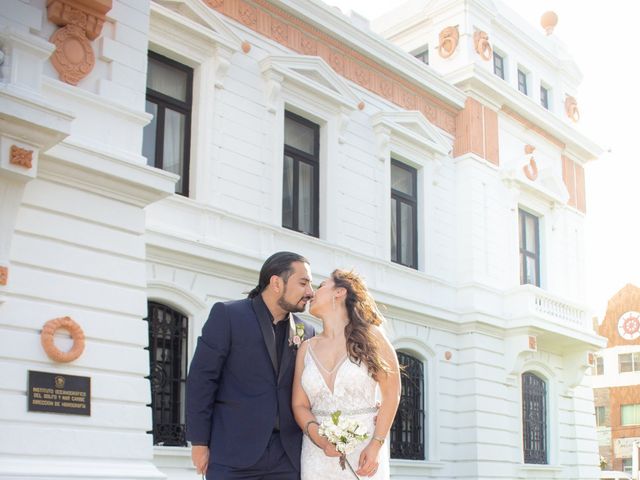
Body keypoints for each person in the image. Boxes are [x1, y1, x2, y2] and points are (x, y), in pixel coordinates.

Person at [186, 251, 316, 479]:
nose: (310, 292)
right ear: (276, 282)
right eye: (303, 283)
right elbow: (202, 380)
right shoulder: (228, 316)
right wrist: (199, 441)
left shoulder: (308, 332)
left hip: (287, 457)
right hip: (232, 454)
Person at [292, 269, 401, 479]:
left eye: (322, 285)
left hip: (364, 452)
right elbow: (299, 405)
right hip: (316, 455)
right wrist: (322, 441)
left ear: (339, 292)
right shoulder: (306, 348)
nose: (313, 292)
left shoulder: (373, 337)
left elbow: (392, 393)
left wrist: (376, 445)